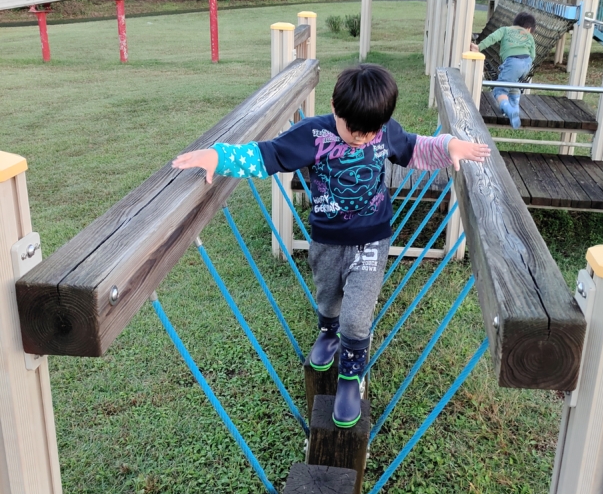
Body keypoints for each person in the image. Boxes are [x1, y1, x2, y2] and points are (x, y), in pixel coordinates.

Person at [173, 64, 490, 429]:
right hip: (326, 240)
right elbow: (267, 155)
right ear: (334, 108)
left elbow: (417, 148)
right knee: (328, 297)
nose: (359, 138)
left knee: (356, 318)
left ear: (382, 122)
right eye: (351, 129)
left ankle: (350, 377)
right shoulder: (312, 134)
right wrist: (220, 157)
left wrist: (450, 145)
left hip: (373, 238)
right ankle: (327, 331)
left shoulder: (385, 132)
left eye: (368, 132)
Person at [470, 11, 536, 129]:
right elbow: (533, 54)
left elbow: (492, 38)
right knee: (513, 83)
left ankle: (510, 110)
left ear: (514, 23)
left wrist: (478, 47)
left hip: (513, 62)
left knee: (499, 90)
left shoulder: (505, 30)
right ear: (529, 28)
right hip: (527, 64)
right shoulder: (529, 35)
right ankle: (515, 106)